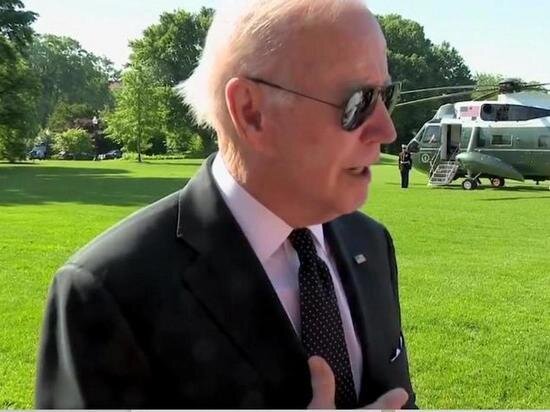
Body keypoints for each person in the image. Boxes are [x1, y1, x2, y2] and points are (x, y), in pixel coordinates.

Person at [35, 0, 417, 409]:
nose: (387, 130)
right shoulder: (108, 291)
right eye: (359, 102)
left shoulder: (369, 242)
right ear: (251, 112)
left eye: (385, 96)